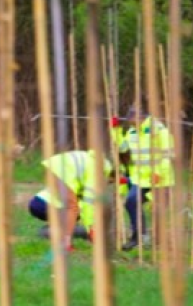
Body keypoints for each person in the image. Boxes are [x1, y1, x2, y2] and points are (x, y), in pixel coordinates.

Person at [114, 105, 176, 251]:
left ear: (141, 117)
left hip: (160, 179)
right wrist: (115, 130)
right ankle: (138, 236)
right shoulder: (132, 131)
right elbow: (122, 148)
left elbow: (169, 154)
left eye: (132, 119)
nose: (130, 123)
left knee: (158, 209)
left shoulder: (158, 129)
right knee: (130, 202)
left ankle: (161, 242)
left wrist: (159, 173)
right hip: (141, 180)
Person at [26, 149, 115, 248]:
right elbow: (88, 204)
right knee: (73, 208)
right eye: (109, 182)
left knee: (74, 208)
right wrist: (91, 228)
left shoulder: (94, 162)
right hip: (57, 176)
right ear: (109, 175)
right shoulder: (98, 172)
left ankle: (52, 232)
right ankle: (66, 243)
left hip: (40, 197)